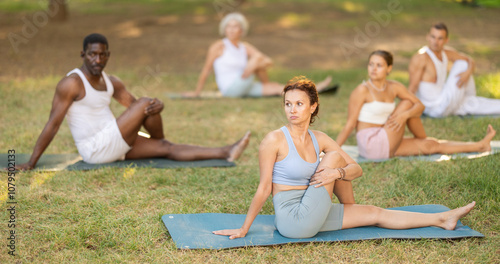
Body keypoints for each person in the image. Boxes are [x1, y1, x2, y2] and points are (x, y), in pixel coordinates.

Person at [213, 77, 476, 239]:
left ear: (313, 106)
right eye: (287, 104)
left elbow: (357, 169)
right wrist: (244, 228)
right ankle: (348, 203)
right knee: (336, 159)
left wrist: (335, 174)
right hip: (293, 218)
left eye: (299, 104)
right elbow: (263, 189)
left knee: (374, 212)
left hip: (313, 206)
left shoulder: (320, 138)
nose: (292, 110)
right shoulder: (274, 140)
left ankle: (441, 219)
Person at [15, 33, 250, 171]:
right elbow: (53, 124)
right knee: (147, 103)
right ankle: (158, 138)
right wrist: (31, 162)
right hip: (94, 149)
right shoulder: (71, 83)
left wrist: (159, 107)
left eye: (102, 54)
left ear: (108, 55)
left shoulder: (112, 82)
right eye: (92, 54)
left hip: (115, 141)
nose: (97, 59)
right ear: (83, 55)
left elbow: (139, 108)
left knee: (165, 145)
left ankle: (226, 151)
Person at [336, 50, 496, 160]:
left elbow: (420, 106)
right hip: (371, 143)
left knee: (430, 145)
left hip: (388, 139)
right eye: (371, 64)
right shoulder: (362, 90)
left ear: (389, 68)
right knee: (407, 103)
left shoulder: (394, 86)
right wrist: (332, 151)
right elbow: (350, 125)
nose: (373, 69)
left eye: (379, 65)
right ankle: (421, 136)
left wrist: (405, 116)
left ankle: (480, 145)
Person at [183, 12, 335, 98]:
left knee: (276, 88)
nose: (231, 29)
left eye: (235, 26)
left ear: (241, 30)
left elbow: (268, 61)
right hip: (230, 88)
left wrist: (256, 66)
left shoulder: (244, 47)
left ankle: (311, 90)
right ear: (224, 29)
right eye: (228, 26)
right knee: (256, 59)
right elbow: (206, 70)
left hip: (245, 83)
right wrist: (197, 93)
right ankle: (264, 81)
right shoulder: (218, 46)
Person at [408, 22, 500, 117]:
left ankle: (470, 98)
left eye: (440, 38)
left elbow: (470, 60)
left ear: (446, 40)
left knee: (474, 104)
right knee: (462, 64)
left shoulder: (446, 53)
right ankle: (469, 97)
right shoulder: (420, 58)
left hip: (445, 99)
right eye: (433, 37)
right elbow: (412, 88)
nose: (435, 41)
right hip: (435, 107)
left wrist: (467, 73)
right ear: (427, 37)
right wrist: (404, 111)